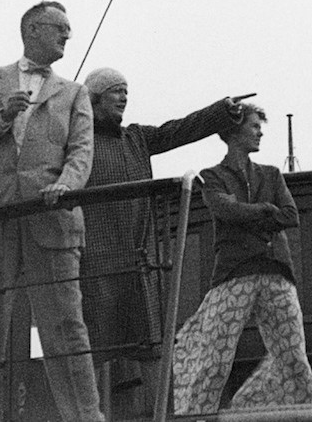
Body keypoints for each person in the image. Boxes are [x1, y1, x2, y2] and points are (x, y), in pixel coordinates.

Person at [0, 1, 104, 421]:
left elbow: (81, 154)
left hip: (51, 219)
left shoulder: (75, 94)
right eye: (61, 28)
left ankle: (87, 419)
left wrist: (65, 185)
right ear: (33, 29)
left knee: (66, 330)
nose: (68, 36)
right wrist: (1, 116)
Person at [80, 67, 252, 417]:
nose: (124, 97)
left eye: (126, 90)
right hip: (94, 262)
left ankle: (163, 417)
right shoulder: (78, 142)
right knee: (92, 353)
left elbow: (178, 130)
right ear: (94, 98)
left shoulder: (136, 139)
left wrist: (220, 111)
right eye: (116, 90)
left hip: (137, 262)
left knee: (153, 349)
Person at [173, 103, 312, 414]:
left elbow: (291, 215)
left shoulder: (271, 174)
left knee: (293, 357)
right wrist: (266, 210)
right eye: (254, 126)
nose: (260, 132)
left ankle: (305, 415)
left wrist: (247, 214)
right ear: (233, 131)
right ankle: (196, 417)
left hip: (276, 272)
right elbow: (224, 210)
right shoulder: (212, 176)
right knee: (215, 358)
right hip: (235, 273)